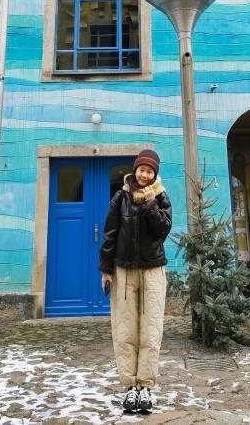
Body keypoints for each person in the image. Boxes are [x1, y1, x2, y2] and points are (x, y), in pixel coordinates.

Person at [99, 150, 172, 414]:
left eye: (149, 171)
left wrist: (151, 204)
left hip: (153, 270)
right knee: (125, 330)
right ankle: (130, 386)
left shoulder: (161, 197)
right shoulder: (121, 197)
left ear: (155, 174)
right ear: (135, 170)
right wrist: (106, 269)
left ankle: (146, 387)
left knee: (151, 330)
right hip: (124, 270)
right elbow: (110, 233)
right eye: (141, 169)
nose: (144, 175)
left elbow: (163, 230)